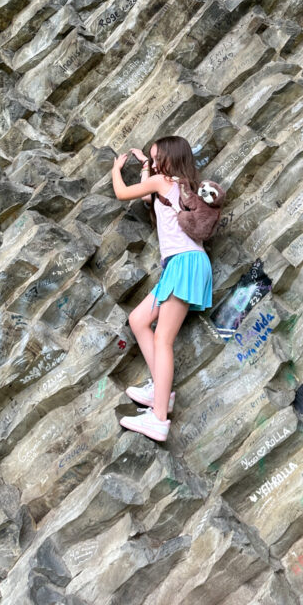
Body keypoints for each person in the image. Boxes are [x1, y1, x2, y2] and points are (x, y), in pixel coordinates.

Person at [111, 135, 213, 441]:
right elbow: (148, 199)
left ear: (170, 158)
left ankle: (158, 418)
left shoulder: (164, 182)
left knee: (163, 340)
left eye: (156, 159)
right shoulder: (183, 186)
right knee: (139, 320)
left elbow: (123, 193)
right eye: (152, 160)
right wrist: (145, 166)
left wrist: (117, 169)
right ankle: (161, 394)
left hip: (185, 263)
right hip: (184, 264)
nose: (154, 165)